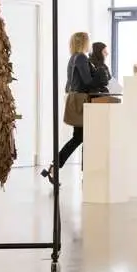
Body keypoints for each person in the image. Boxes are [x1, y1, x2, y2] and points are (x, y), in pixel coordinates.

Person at [43, 32, 94, 184]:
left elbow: (68, 84)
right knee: (82, 137)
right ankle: (59, 167)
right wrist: (99, 76)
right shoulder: (82, 58)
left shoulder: (73, 58)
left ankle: (55, 167)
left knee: (79, 137)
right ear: (84, 42)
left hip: (73, 99)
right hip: (81, 101)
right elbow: (87, 81)